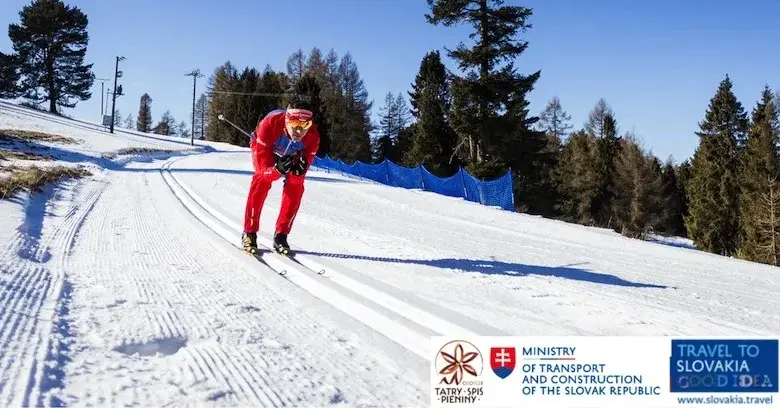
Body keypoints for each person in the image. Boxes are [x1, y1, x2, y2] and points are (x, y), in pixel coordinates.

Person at [242, 97, 320, 255]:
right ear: (286, 120)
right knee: (261, 182)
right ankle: (249, 232)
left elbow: (299, 178)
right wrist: (277, 170)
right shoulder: (269, 125)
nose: (299, 131)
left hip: (291, 154)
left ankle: (281, 236)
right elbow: (263, 171)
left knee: (296, 186)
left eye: (305, 125)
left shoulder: (312, 137)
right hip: (265, 147)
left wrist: (298, 173)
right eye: (295, 124)